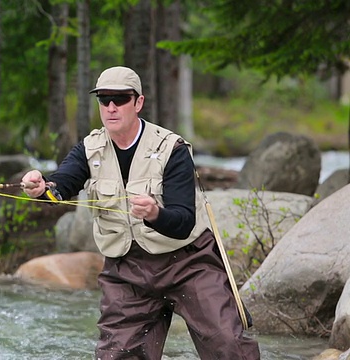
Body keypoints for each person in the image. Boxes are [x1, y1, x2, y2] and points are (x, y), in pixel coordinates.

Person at [21, 66, 260, 360]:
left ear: (138, 103)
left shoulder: (172, 149)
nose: (110, 107)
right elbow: (61, 185)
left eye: (119, 99)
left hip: (188, 262)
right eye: (104, 99)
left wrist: (155, 214)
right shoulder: (88, 148)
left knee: (228, 346)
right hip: (127, 271)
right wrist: (42, 188)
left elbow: (184, 222)